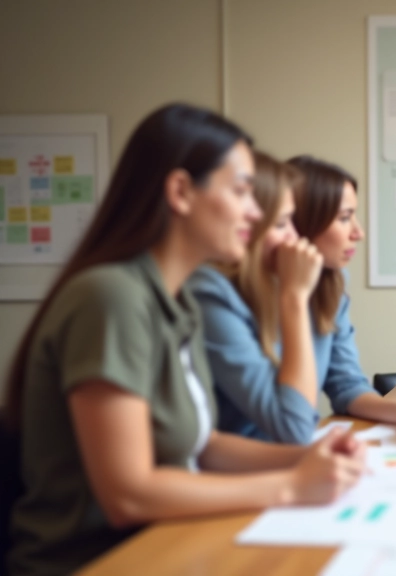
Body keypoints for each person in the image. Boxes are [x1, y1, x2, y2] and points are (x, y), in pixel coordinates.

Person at [4, 104, 366, 576]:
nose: (255, 212)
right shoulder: (110, 297)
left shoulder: (177, 302)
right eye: (241, 191)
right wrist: (291, 485)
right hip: (95, 561)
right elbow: (128, 494)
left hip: (167, 543)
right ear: (180, 192)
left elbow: (202, 444)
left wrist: (306, 456)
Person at [189, 154, 396, 444]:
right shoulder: (215, 294)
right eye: (344, 218)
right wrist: (295, 298)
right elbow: (291, 427)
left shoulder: (329, 283)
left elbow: (346, 384)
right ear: (303, 223)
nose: (358, 233)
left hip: (292, 453)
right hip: (243, 460)